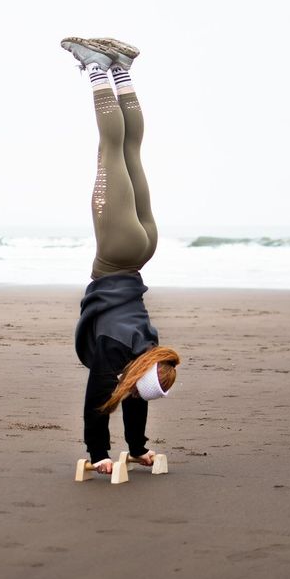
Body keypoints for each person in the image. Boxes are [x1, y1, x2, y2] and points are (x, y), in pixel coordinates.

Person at [62, 36, 181, 475]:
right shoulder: (121, 355)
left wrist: (131, 451)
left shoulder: (151, 350)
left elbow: (117, 399)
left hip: (143, 249)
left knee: (130, 151)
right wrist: (100, 456)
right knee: (111, 150)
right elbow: (104, 402)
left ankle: (119, 69)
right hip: (116, 252)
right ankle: (97, 68)